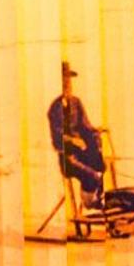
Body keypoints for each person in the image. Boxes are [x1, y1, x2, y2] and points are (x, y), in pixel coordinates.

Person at [47, 61, 106, 208]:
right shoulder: (54, 108)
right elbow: (56, 139)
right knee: (92, 175)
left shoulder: (76, 102)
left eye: (68, 80)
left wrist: (96, 131)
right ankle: (89, 202)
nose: (67, 84)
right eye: (63, 80)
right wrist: (73, 141)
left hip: (82, 154)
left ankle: (97, 199)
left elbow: (85, 126)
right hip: (68, 158)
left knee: (101, 165)